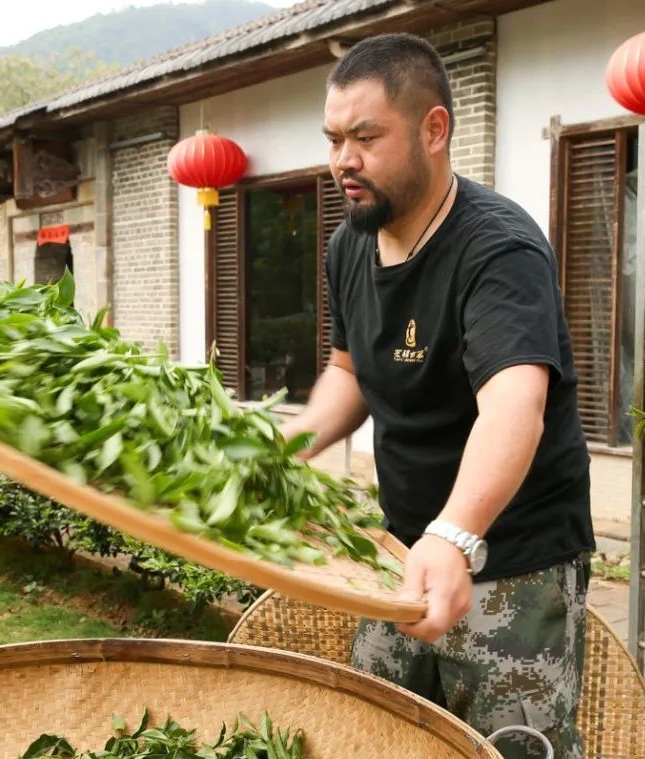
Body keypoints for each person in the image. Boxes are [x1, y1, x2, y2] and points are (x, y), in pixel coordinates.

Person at [280, 33, 595, 759]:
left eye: (365, 136)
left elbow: (513, 402)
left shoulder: (497, 248)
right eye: (332, 139)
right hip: (399, 552)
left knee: (507, 748)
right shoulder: (348, 243)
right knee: (380, 734)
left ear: (433, 129)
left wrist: (456, 533)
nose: (342, 162)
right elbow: (350, 371)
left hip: (513, 559)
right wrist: (278, 450)